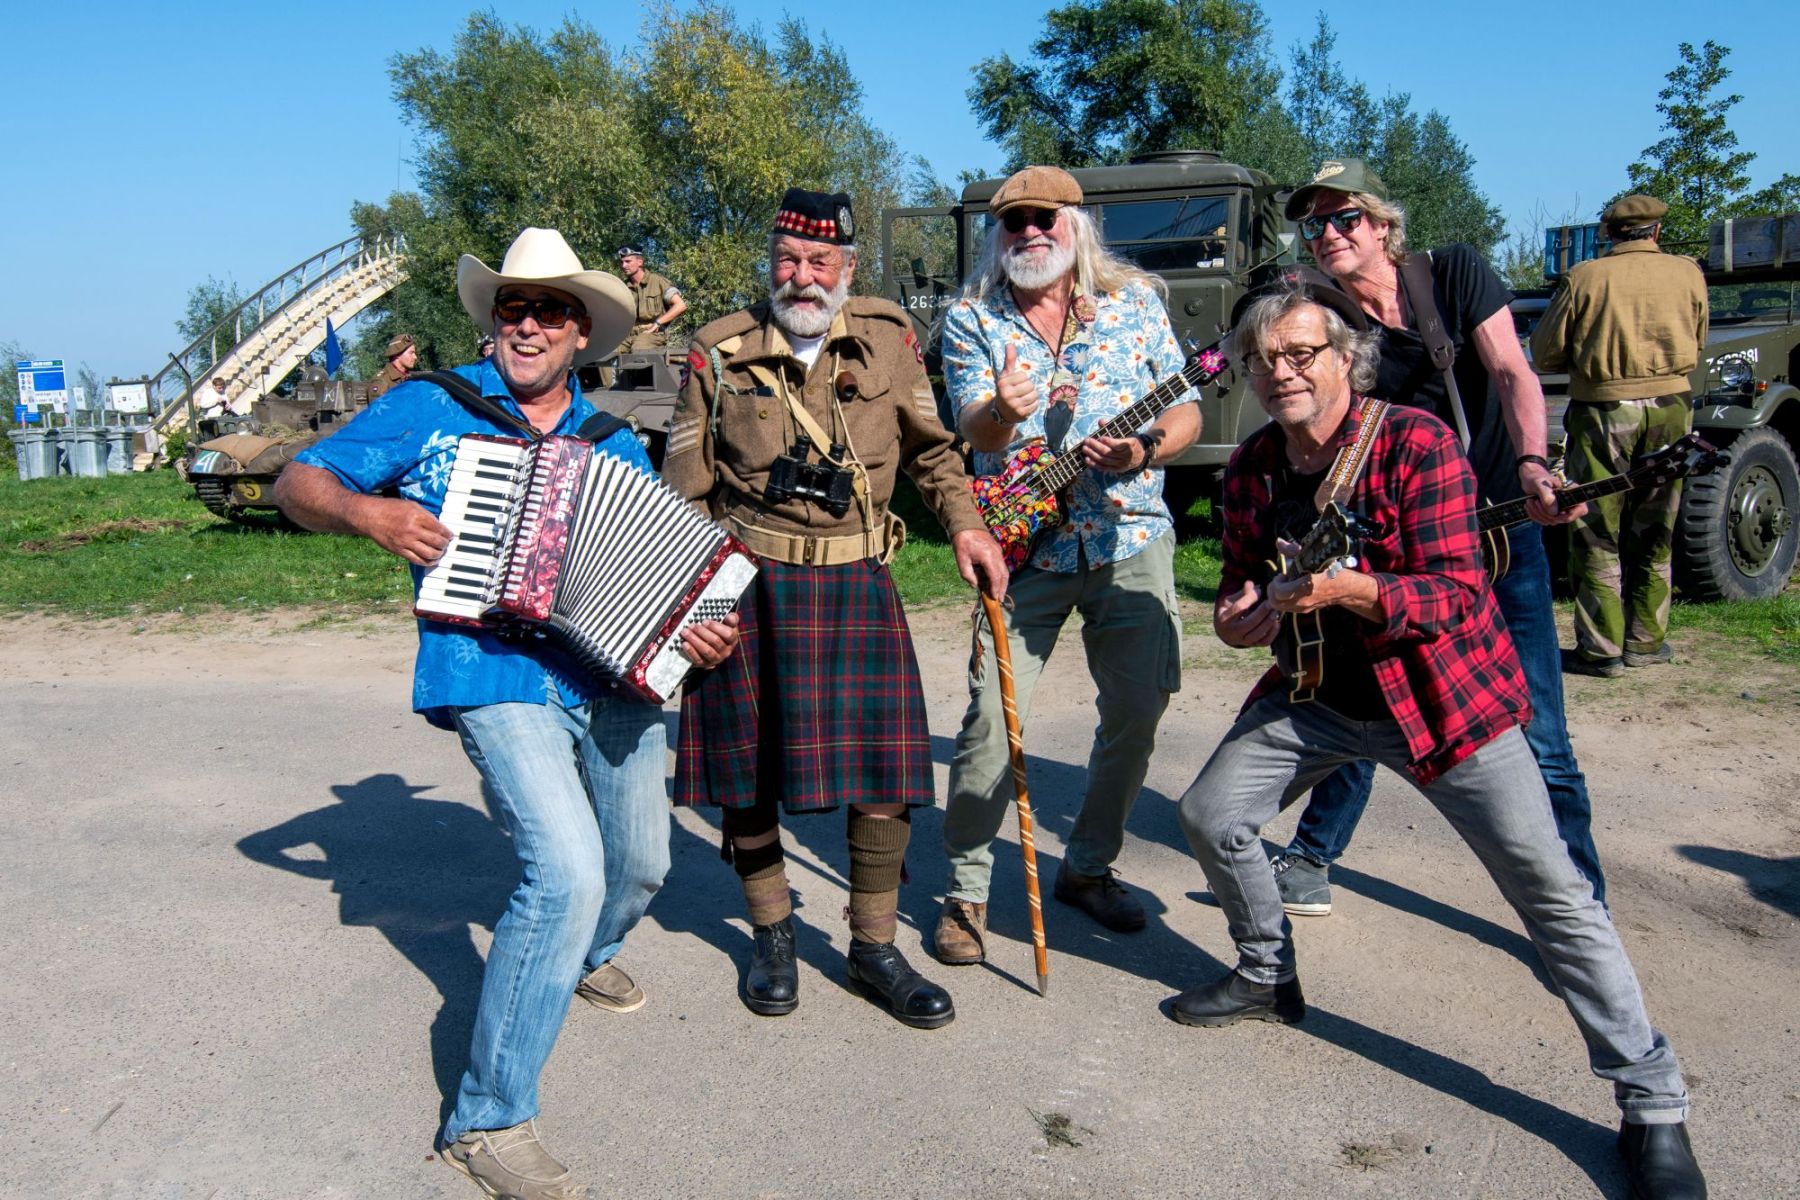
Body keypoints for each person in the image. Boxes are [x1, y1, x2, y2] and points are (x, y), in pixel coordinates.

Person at [1174, 284, 1705, 1200]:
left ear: (1347, 360)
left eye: (1302, 353)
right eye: (1264, 359)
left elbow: (1458, 592)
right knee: (1209, 813)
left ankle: (1652, 1102)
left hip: (1443, 702)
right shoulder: (1254, 465)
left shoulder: (1415, 442)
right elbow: (1238, 584)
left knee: (1552, 893)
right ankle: (1266, 972)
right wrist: (1237, 617)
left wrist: (1353, 593)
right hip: (1316, 695)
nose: (1281, 372)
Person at [274, 227, 740, 1200]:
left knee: (643, 862)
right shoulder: (431, 409)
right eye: (511, 309)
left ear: (581, 335)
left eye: (549, 312)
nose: (526, 325)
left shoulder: (612, 441)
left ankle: (580, 958)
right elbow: (297, 481)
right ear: (492, 325)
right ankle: (487, 1118)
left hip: (609, 681)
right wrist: (370, 515)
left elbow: (665, 580)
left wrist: (702, 633)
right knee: (565, 876)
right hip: (489, 670)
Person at [662, 188, 1007, 1029]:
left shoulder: (888, 341)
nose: (802, 275)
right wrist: (696, 598)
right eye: (787, 259)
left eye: (820, 263)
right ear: (770, 262)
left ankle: (873, 947)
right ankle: (773, 933)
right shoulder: (720, 351)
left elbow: (934, 457)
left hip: (857, 582)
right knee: (748, 775)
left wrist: (967, 527)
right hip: (747, 585)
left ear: (848, 270)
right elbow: (685, 492)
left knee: (886, 778)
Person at [1273, 157, 1606, 913]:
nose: (1326, 233)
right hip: (1402, 549)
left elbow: (1515, 374)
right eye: (1314, 223)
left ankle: (1582, 905)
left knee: (1543, 736)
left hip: (1499, 533)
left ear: (1383, 226)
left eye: (1344, 217)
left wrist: (1530, 464)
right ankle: (1315, 855)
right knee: (1363, 705)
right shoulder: (1321, 320)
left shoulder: (1452, 274)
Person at [931, 165, 1199, 964]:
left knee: (1138, 712)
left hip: (1130, 535)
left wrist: (1144, 447)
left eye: (1044, 217)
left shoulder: (1136, 303)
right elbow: (974, 431)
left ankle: (1088, 866)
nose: (1030, 233)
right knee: (990, 721)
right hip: (1021, 548)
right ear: (998, 235)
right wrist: (1002, 411)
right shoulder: (972, 318)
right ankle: (968, 895)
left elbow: (1185, 406)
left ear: (1077, 224)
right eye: (1013, 223)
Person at [1531, 194, 1709, 677]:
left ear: (1609, 234)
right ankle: (1646, 641)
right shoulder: (1688, 272)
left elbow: (1545, 352)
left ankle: (1602, 648)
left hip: (1603, 409)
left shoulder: (1585, 277)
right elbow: (1698, 339)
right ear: (1655, 232)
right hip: (1673, 408)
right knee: (1656, 527)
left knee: (1595, 528)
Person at [599, 247, 687, 386]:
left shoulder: (657, 281)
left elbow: (680, 306)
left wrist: (658, 323)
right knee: (603, 351)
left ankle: (637, 392)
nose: (624, 266)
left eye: (628, 261)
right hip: (627, 334)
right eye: (621, 262)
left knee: (638, 350)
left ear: (640, 262)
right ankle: (611, 392)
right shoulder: (623, 287)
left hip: (652, 333)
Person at [369, 333, 419, 399]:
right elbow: (379, 408)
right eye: (411, 353)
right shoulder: (381, 382)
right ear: (397, 354)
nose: (415, 357)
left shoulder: (410, 377)